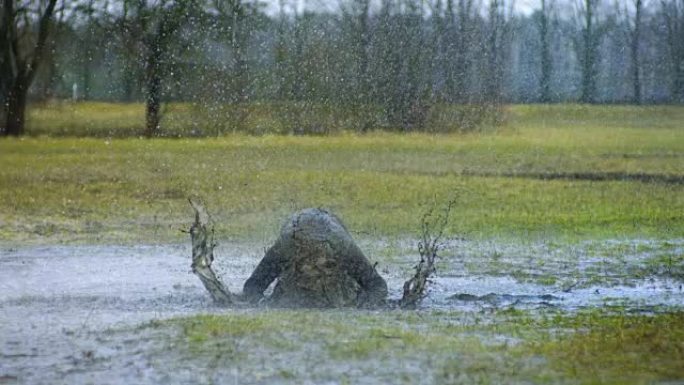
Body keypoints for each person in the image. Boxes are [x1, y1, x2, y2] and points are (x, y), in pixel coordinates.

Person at [243, 208, 388, 308]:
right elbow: (252, 286)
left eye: (327, 266)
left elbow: (377, 285)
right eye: (312, 266)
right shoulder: (284, 248)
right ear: (296, 262)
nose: (319, 272)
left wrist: (364, 305)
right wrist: (264, 305)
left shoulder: (344, 249)